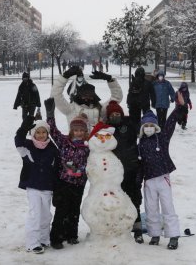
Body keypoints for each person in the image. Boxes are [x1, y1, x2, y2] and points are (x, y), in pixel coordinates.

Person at [43, 98, 90, 250]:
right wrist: (50, 114)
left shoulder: (88, 146)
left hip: (79, 183)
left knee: (74, 210)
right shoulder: (64, 141)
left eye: (82, 130)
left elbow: (91, 163)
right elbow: (52, 130)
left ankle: (72, 235)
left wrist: (80, 170)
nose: (79, 133)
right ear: (71, 130)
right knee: (62, 209)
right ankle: (56, 237)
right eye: (76, 130)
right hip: (64, 182)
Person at [137, 107, 183, 250]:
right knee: (150, 208)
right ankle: (154, 234)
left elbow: (170, 123)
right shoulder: (140, 145)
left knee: (167, 206)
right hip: (149, 180)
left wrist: (178, 108)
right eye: (146, 126)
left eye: (151, 126)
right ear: (142, 128)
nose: (149, 128)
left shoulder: (162, 139)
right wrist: (138, 181)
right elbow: (139, 165)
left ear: (156, 127)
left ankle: (173, 235)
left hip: (163, 178)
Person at [14, 116, 60, 254]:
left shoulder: (52, 149)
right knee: (35, 214)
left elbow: (58, 167)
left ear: (47, 133)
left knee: (46, 215)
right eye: (38, 132)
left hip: (47, 187)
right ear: (33, 133)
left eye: (44, 132)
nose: (41, 135)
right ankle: (32, 243)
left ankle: (44, 239)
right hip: (33, 186)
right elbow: (18, 141)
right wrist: (23, 128)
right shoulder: (27, 146)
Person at [105, 101, 144, 243]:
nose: (116, 116)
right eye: (112, 114)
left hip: (131, 169)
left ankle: (137, 228)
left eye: (118, 114)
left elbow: (136, 112)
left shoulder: (129, 125)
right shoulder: (106, 130)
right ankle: (119, 227)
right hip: (114, 173)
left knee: (134, 199)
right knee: (116, 201)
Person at [51, 65, 123, 131]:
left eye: (90, 95)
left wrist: (110, 79)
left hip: (99, 143)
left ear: (94, 96)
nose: (87, 98)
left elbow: (116, 97)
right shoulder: (71, 109)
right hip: (76, 144)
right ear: (79, 96)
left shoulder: (101, 109)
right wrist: (64, 77)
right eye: (84, 95)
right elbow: (56, 96)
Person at [127, 67, 156, 133]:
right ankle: (145, 130)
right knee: (147, 117)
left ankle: (137, 131)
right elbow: (152, 93)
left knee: (136, 119)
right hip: (145, 103)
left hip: (134, 104)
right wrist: (154, 102)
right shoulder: (148, 83)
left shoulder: (133, 82)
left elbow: (129, 93)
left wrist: (128, 102)